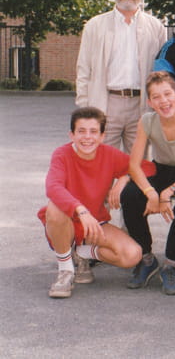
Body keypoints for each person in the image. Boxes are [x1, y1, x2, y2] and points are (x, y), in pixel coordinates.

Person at [38, 107, 150, 298]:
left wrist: (125, 178)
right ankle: (65, 271)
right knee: (55, 207)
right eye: (81, 131)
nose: (87, 137)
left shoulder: (110, 154)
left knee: (132, 255)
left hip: (95, 223)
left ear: (102, 136)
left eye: (93, 131)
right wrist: (81, 210)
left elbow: (148, 167)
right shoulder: (62, 154)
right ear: (72, 135)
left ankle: (82, 253)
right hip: (67, 222)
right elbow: (53, 187)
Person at [117, 71, 175, 295]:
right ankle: (146, 259)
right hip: (162, 169)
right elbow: (134, 165)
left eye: (167, 94)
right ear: (149, 102)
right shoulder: (147, 121)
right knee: (130, 194)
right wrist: (151, 192)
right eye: (156, 97)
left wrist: (167, 193)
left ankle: (171, 264)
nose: (163, 101)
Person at [76, 0, 166, 152]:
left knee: (140, 163)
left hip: (142, 106)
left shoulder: (156, 27)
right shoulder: (94, 26)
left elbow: (161, 74)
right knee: (102, 162)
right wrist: (85, 109)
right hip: (105, 105)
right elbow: (83, 71)